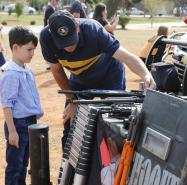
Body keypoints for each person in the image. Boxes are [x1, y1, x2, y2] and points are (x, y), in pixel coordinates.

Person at [39, 10, 156, 150]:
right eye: (62, 42)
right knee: (71, 125)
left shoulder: (93, 30)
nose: (68, 47)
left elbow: (127, 57)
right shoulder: (46, 37)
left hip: (109, 75)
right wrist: (72, 100)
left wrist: (146, 74)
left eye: (70, 39)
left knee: (114, 124)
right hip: (79, 78)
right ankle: (69, 169)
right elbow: (57, 70)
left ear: (77, 26)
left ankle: (114, 167)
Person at [0, 26, 43, 185]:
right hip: (18, 125)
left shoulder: (26, 69)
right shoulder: (11, 73)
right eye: (29, 49)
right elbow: (7, 105)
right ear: (15, 48)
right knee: (15, 166)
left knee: (24, 164)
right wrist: (12, 131)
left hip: (30, 122)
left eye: (34, 50)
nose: (32, 53)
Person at [44, 0, 58, 70]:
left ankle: (50, 63)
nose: (55, 2)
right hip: (49, 31)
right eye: (54, 0)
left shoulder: (54, 8)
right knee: (48, 47)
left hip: (51, 31)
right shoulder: (49, 9)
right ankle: (48, 64)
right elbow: (48, 21)